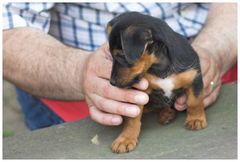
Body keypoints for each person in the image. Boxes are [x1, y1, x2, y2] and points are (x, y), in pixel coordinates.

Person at [3, 3, 237, 129]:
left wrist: (215, 50)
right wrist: (79, 71)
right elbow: (6, 27)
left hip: (218, 62)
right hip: (70, 91)